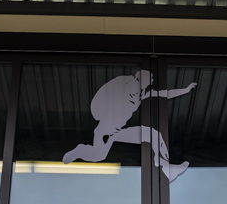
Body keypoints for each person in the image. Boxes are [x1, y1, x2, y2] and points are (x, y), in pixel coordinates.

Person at [62, 70, 197, 181]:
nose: (152, 81)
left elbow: (163, 94)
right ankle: (80, 150)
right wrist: (100, 114)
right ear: (142, 78)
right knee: (99, 155)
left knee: (155, 136)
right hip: (106, 130)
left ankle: (166, 167)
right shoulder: (125, 83)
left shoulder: (141, 93)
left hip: (117, 131)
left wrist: (185, 90)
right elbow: (104, 93)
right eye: (150, 78)